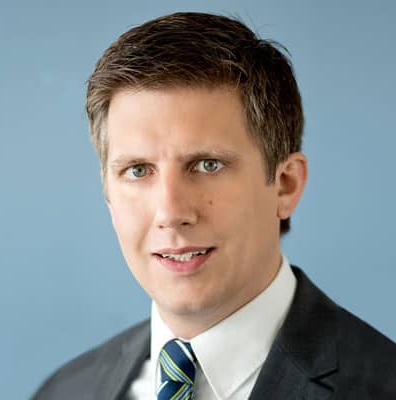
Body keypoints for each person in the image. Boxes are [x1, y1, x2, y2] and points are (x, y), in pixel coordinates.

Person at [31, 11, 396, 400]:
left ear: (285, 185)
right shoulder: (65, 391)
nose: (171, 213)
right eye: (138, 170)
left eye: (208, 165)